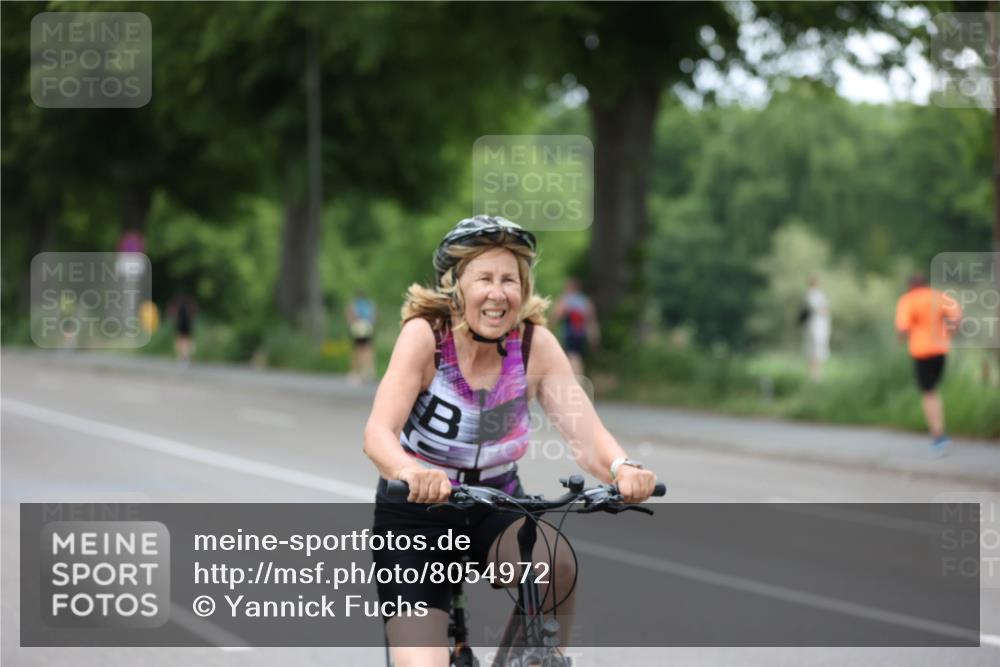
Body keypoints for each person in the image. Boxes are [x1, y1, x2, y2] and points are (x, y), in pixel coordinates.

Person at [363, 215, 657, 666]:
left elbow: (586, 434)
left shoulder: (534, 344)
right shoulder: (425, 337)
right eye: (484, 278)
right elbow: (378, 434)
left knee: (555, 563)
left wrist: (622, 468)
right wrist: (411, 472)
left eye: (510, 279)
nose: (498, 293)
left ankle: (538, 659)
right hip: (416, 513)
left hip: (495, 503)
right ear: (455, 285)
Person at [894, 273, 962, 457]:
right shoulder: (938, 296)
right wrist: (950, 334)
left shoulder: (908, 300)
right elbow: (956, 316)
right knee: (934, 390)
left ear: (910, 286)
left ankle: (938, 436)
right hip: (941, 350)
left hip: (921, 352)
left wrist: (901, 340)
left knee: (929, 393)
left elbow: (902, 329)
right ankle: (940, 434)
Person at [552, 277, 599, 376]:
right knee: (576, 356)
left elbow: (556, 315)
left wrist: (550, 329)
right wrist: (594, 339)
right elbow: (592, 322)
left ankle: (577, 382)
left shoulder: (565, 299)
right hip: (581, 334)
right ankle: (577, 380)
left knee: (573, 357)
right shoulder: (585, 301)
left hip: (570, 333)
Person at [801, 276, 831, 381]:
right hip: (815, 327)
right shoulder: (812, 294)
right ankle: (814, 376)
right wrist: (825, 310)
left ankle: (817, 376)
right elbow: (821, 310)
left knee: (817, 351)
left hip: (818, 327)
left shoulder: (817, 294)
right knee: (815, 351)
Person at [347, 290, 377, 383]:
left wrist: (352, 323)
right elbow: (374, 315)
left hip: (358, 328)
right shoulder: (369, 304)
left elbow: (350, 315)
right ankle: (369, 371)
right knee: (368, 350)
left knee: (356, 351)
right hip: (367, 328)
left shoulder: (355, 304)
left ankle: (355, 372)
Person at [167, 294, 197, 365]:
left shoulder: (178, 306)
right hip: (187, 325)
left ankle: (183, 356)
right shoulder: (188, 306)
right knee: (186, 340)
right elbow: (194, 312)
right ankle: (186, 356)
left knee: (180, 340)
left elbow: (172, 313)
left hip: (181, 325)